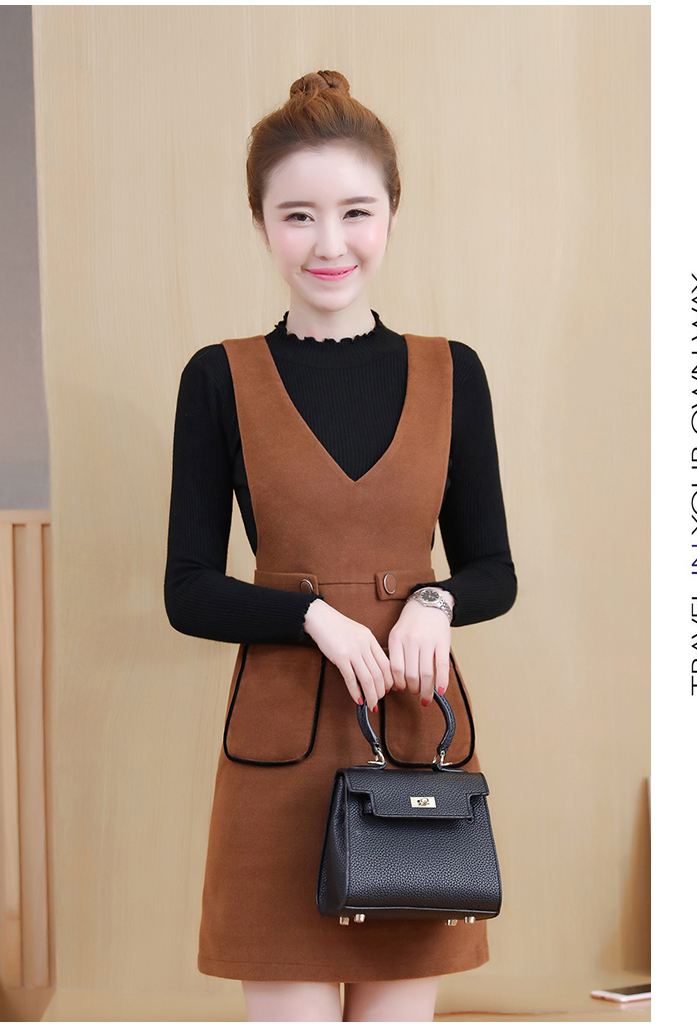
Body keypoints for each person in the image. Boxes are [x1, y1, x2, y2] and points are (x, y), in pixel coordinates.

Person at [165, 70, 516, 1023]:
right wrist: (311, 615)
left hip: (413, 743)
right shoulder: (218, 378)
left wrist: (435, 600)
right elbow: (187, 588)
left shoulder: (454, 374)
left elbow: (494, 569)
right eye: (298, 216)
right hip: (276, 758)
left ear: (393, 211)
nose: (330, 243)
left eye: (356, 211)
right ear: (260, 222)